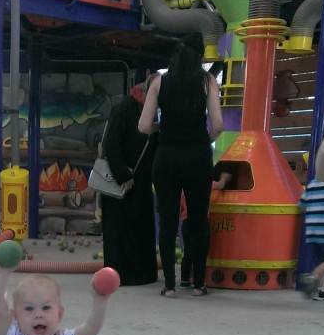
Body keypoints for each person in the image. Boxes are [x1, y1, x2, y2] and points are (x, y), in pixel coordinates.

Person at [138, 32, 224, 298]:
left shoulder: (158, 82)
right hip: (197, 156)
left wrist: (165, 127)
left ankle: (170, 286)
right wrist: (201, 139)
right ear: (199, 56)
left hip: (166, 157)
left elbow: (143, 126)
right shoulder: (207, 81)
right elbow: (218, 126)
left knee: (167, 221)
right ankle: (199, 284)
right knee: (199, 221)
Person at [99, 81, 158, 286]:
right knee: (119, 230)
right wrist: (123, 174)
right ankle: (119, 275)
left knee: (140, 228)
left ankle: (142, 274)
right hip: (120, 181)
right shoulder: (124, 108)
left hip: (141, 182)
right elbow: (111, 143)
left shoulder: (151, 112)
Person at [179, 170, 232, 287]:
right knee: (200, 253)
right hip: (200, 222)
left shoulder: (183, 188)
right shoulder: (206, 183)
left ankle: (184, 279)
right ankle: (199, 283)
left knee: (188, 252)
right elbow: (221, 185)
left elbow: (181, 208)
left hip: (186, 223)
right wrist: (224, 177)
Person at [298, 172, 324, 300]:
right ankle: (312, 277)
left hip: (311, 230)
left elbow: (301, 206)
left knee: (320, 262)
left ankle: (321, 291)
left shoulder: (312, 184)